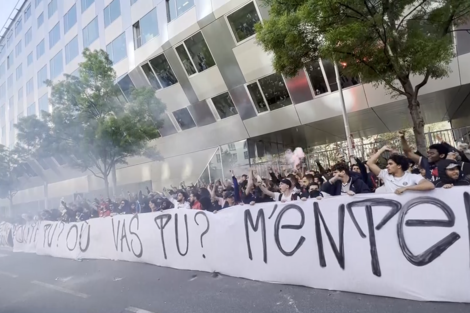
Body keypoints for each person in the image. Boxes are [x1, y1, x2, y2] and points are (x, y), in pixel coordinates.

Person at [367, 146, 435, 194]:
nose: (387, 166)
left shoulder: (412, 176)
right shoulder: (385, 174)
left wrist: (407, 188)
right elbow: (369, 163)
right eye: (387, 164)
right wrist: (382, 149)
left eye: (390, 164)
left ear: (399, 166)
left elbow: (430, 185)